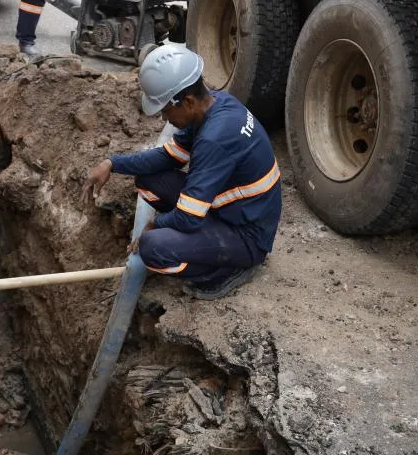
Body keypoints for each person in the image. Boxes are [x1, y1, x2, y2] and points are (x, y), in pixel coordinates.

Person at [82, 44, 282, 299]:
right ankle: (197, 242)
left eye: (166, 110)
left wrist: (155, 226)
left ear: (187, 101)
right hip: (230, 210)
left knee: (152, 249)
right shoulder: (215, 105)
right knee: (148, 180)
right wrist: (112, 163)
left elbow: (188, 218)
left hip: (248, 236)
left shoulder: (215, 139)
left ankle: (228, 269)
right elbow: (169, 157)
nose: (166, 119)